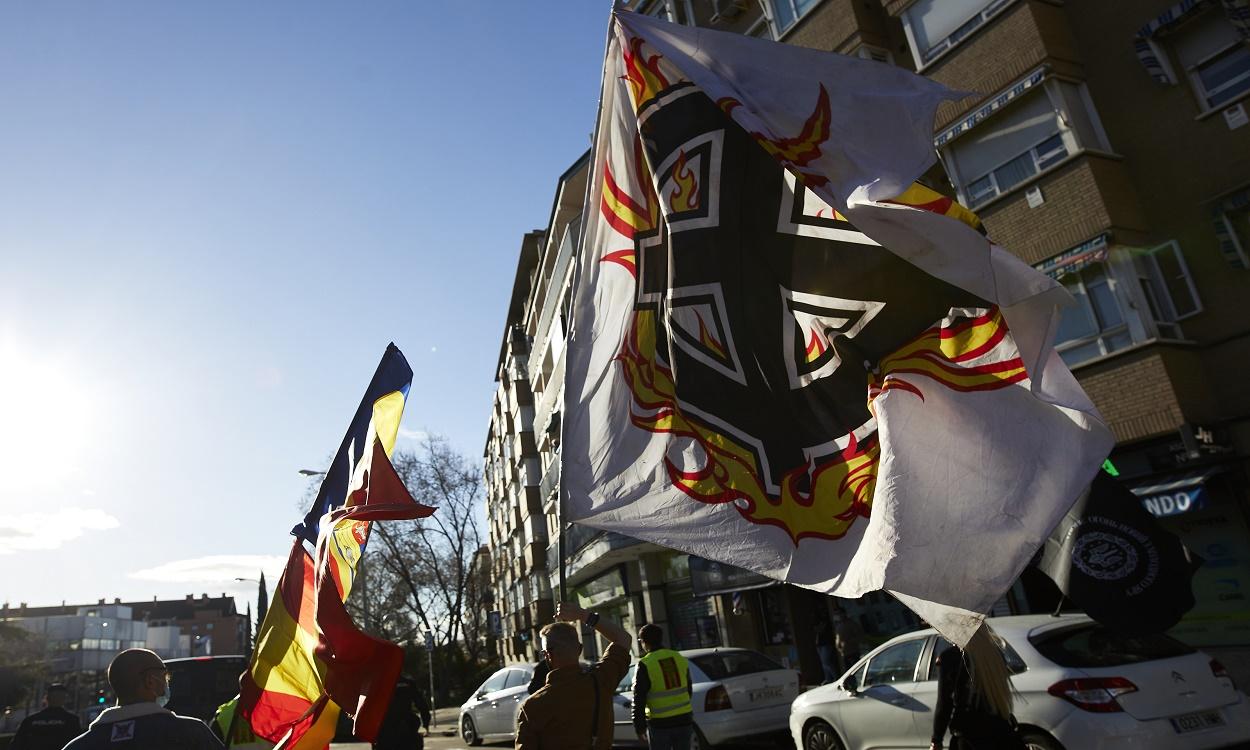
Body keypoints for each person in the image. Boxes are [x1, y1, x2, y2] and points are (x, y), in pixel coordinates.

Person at [515, 602, 632, 750]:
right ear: (579, 649)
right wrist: (583, 615)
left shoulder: (532, 707)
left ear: (547, 655)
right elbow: (623, 638)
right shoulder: (601, 680)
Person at [64, 648, 224, 750]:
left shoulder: (78, 745)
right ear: (150, 681)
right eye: (165, 677)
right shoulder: (191, 733)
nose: (167, 683)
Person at [930, 626, 1025, 750]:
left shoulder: (951, 657)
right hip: (1001, 730)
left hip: (970, 737)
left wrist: (936, 740)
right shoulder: (994, 652)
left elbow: (944, 704)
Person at [631, 624, 692, 750]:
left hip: (660, 724)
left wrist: (639, 727)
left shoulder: (645, 664)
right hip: (684, 720)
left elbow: (639, 698)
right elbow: (688, 688)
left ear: (644, 642)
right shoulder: (678, 657)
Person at [10, 683, 81, 750]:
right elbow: (79, 744)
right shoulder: (72, 720)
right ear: (64, 699)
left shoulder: (31, 720)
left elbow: (16, 745)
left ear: (47, 698)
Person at [374, 675, 431, 750]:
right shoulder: (408, 683)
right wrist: (426, 724)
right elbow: (422, 705)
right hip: (406, 728)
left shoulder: (379, 683)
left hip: (386, 732)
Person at [832, 609, 862, 674]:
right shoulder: (838, 625)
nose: (837, 616)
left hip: (852, 651)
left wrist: (849, 642)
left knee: (856, 670)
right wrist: (839, 647)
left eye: (839, 614)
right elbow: (838, 638)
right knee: (848, 672)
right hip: (844, 653)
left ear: (844, 614)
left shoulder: (851, 623)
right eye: (836, 614)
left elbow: (859, 636)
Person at [814, 619, 838, 684]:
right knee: (824, 664)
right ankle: (828, 679)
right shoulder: (819, 633)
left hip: (826, 645)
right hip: (820, 646)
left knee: (827, 662)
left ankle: (835, 677)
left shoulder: (827, 630)